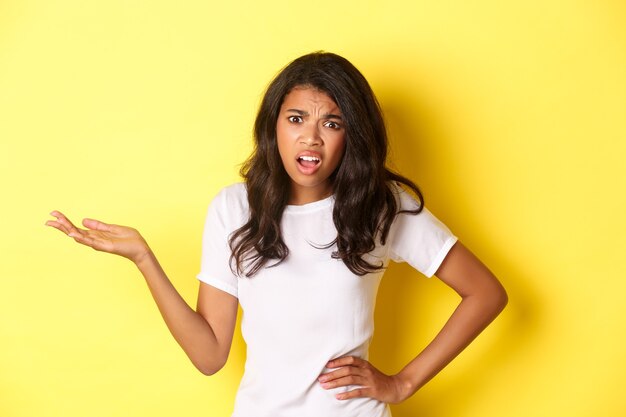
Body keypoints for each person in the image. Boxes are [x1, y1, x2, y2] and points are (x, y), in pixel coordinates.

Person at [46, 52, 507, 417]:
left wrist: (402, 383)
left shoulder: (380, 207)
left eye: (332, 123)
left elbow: (485, 293)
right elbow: (209, 355)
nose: (311, 138)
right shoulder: (234, 208)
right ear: (274, 126)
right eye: (296, 119)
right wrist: (145, 259)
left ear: (352, 136)